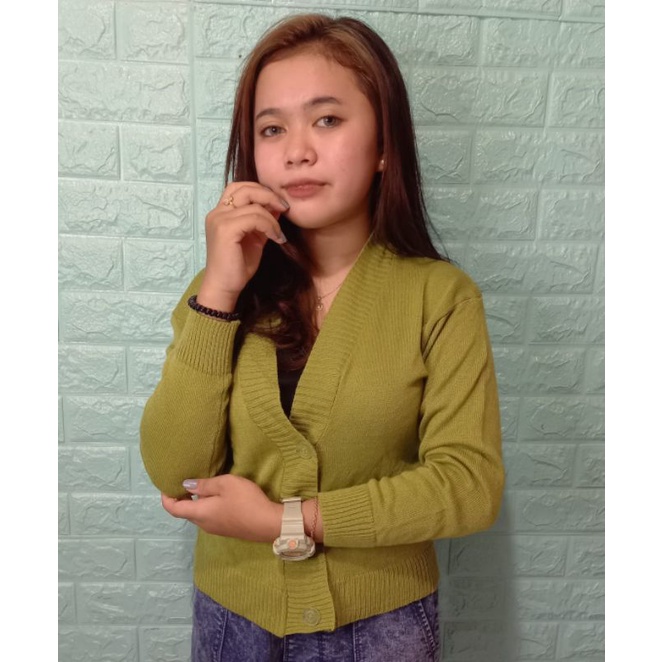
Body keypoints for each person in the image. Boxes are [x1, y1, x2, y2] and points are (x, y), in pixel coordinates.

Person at [140, 13, 504, 662]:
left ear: (385, 144)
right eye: (271, 128)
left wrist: (289, 521)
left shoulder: (441, 298)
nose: (296, 152)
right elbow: (174, 473)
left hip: (383, 627)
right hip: (232, 622)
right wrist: (219, 292)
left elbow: (469, 486)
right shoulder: (218, 292)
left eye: (327, 120)